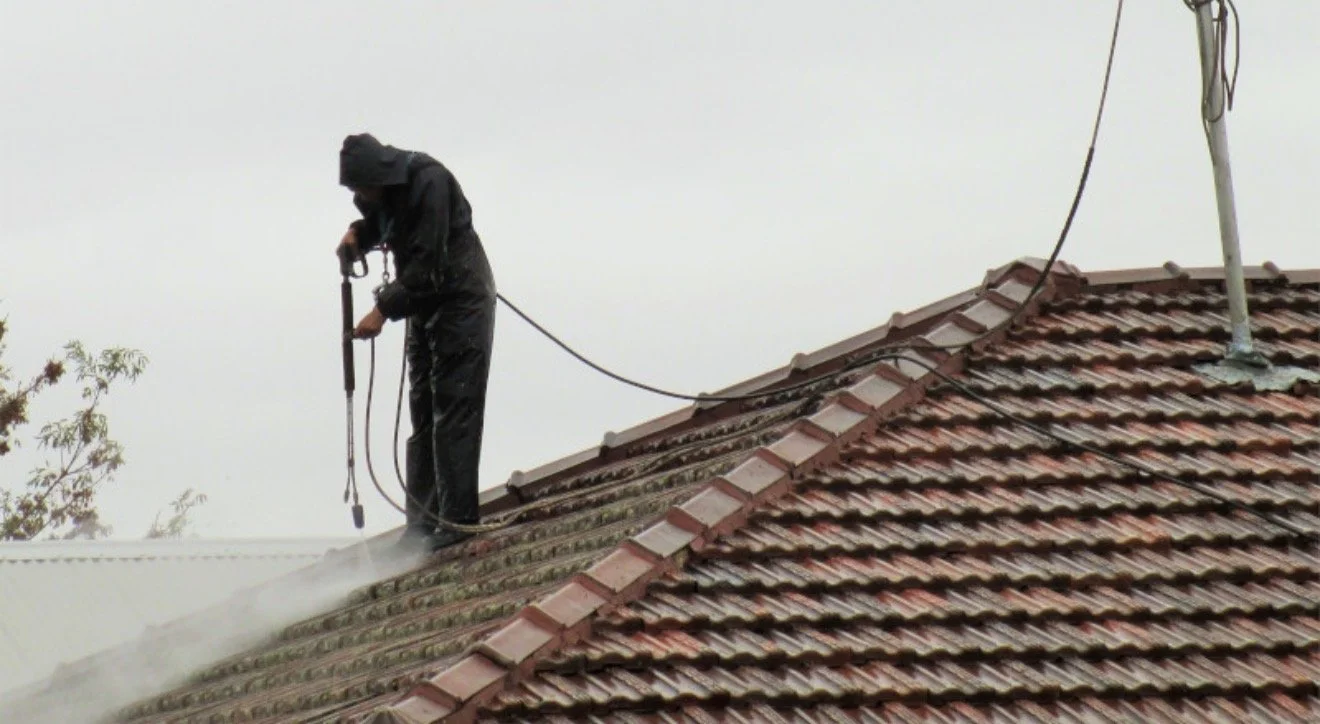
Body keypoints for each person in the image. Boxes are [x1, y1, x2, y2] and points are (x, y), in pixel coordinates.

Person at [336, 133, 496, 552]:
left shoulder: (430, 181)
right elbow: (384, 224)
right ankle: (421, 525)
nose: (360, 195)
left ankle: (456, 520)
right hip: (423, 307)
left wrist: (382, 311)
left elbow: (426, 264)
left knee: (453, 407)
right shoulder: (382, 195)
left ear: (378, 176)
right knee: (422, 409)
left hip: (461, 300)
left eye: (360, 188)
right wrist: (358, 235)